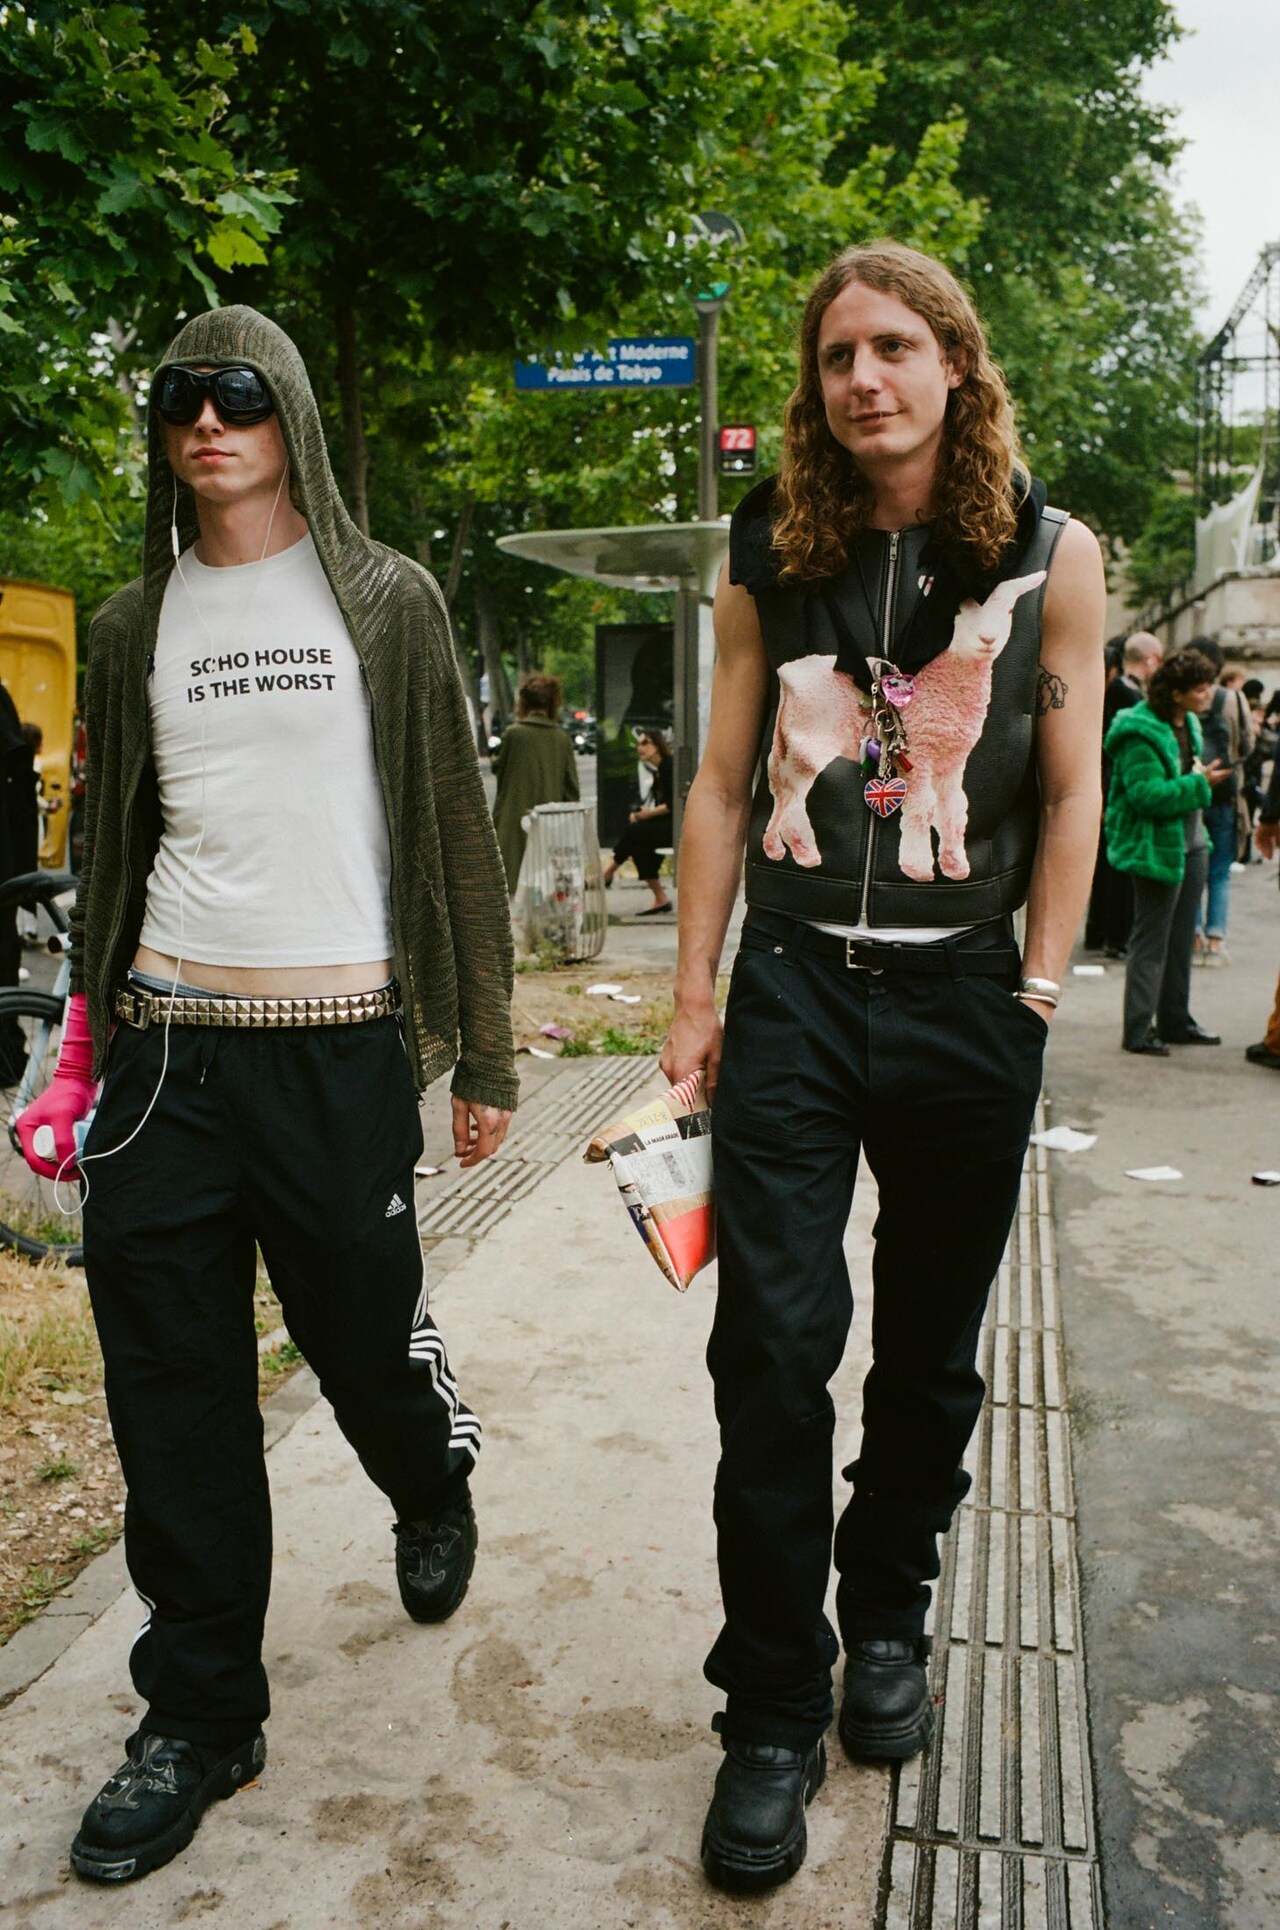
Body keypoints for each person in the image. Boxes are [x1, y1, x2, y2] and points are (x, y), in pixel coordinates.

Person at [15, 308, 517, 1884]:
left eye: (238, 396)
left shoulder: (387, 600)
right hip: (170, 1053)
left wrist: (487, 1055)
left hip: (339, 1042)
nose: (208, 422)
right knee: (170, 1386)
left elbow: (452, 823)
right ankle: (202, 1707)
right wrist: (87, 1051)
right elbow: (113, 856)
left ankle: (426, 1475)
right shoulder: (124, 619)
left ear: (289, 411)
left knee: (365, 1333)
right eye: (179, 401)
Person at [659, 240, 1105, 1894]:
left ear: (957, 367)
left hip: (966, 1005)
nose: (865, 377)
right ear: (816, 378)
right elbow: (719, 781)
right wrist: (693, 990)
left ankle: (892, 1604)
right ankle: (771, 1703)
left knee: (926, 1351)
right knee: (769, 1350)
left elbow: (1066, 792)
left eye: (896, 347)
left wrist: (1040, 992)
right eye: (839, 352)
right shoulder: (770, 544)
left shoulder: (1046, 551)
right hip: (789, 993)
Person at [1104, 648, 1231, 1056]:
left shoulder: (1189, 722)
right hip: (1154, 847)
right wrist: (1200, 785)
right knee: (1151, 941)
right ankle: (1138, 1029)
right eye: (1201, 687)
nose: (1208, 693)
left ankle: (1176, 1020)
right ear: (1176, 694)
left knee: (1181, 941)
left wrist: (1200, 779)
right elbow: (1146, 797)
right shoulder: (1139, 731)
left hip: (1191, 844)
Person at [1187, 641, 1253, 965]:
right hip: (1225, 792)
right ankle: (1216, 938)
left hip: (1192, 790)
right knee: (1220, 871)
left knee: (1193, 866)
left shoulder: (1182, 694)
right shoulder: (1233, 699)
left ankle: (1194, 935)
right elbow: (1247, 745)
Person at [490, 671, 580, 893]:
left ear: (523, 702)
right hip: (551, 826)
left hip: (513, 822)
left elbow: (499, 767)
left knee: (515, 887)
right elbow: (571, 790)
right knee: (546, 887)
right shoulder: (562, 738)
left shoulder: (513, 735)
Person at [1084, 636, 1141, 955]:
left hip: (1108, 789)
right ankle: (1109, 935)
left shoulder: (1118, 695)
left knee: (1109, 868)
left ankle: (1104, 934)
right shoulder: (1118, 694)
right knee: (1109, 869)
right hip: (1107, 790)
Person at [602, 728, 674, 912]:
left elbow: (671, 805)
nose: (639, 748)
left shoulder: (668, 766)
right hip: (667, 825)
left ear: (657, 746)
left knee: (635, 831)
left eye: (645, 743)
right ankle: (661, 898)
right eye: (638, 744)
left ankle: (608, 872)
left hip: (676, 827)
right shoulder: (658, 770)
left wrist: (646, 815)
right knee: (639, 846)